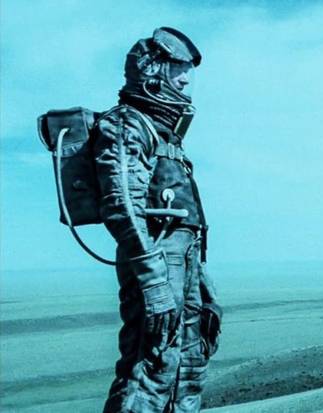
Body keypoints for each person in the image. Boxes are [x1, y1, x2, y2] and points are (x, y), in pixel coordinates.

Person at [95, 27, 221, 413]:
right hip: (155, 262)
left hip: (182, 264)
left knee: (189, 363)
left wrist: (199, 281)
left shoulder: (168, 137)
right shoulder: (126, 124)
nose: (186, 79)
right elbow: (124, 206)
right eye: (177, 69)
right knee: (150, 366)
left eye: (188, 71)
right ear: (151, 71)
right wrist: (153, 283)